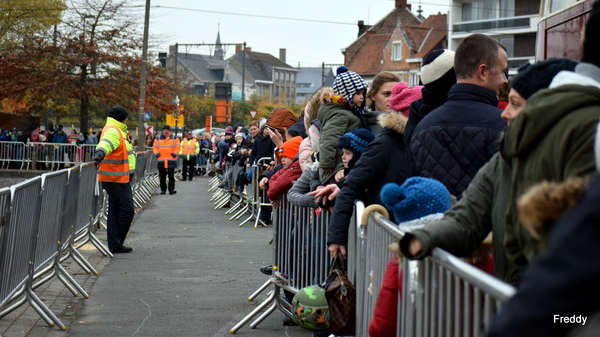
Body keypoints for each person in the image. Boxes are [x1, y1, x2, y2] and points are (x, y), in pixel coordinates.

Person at [398, 58, 579, 283]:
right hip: (513, 297)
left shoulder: (576, 160)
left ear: (544, 109)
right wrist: (421, 239)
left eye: (515, 103)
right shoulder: (506, 158)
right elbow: (467, 219)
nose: (504, 113)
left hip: (558, 307)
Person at [410, 34, 508, 198]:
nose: (505, 80)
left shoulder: (422, 127)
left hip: (437, 223)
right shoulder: (504, 124)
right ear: (482, 71)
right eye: (502, 72)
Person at [91, 106, 136, 254]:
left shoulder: (118, 130)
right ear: (120, 118)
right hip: (115, 177)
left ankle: (115, 244)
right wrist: (100, 153)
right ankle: (116, 242)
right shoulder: (113, 130)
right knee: (127, 209)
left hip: (118, 176)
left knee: (116, 210)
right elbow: (106, 144)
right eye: (126, 116)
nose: (128, 119)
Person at [318, 66, 368, 185]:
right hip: (335, 167)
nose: (362, 97)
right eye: (358, 93)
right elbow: (329, 139)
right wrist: (327, 164)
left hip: (341, 163)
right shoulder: (341, 115)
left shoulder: (349, 112)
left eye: (363, 93)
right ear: (347, 94)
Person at [365, 72, 400, 136]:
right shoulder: (358, 125)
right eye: (386, 94)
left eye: (396, 94)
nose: (392, 99)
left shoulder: (408, 126)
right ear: (373, 96)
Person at [153, 125, 180, 195]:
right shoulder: (157, 138)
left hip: (171, 160)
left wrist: (174, 153)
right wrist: (157, 154)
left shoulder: (174, 138)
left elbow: (178, 147)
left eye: (167, 130)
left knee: (171, 176)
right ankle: (163, 189)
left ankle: (171, 189)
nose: (166, 131)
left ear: (169, 131)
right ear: (162, 131)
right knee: (162, 177)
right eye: (165, 130)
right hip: (161, 160)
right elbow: (154, 147)